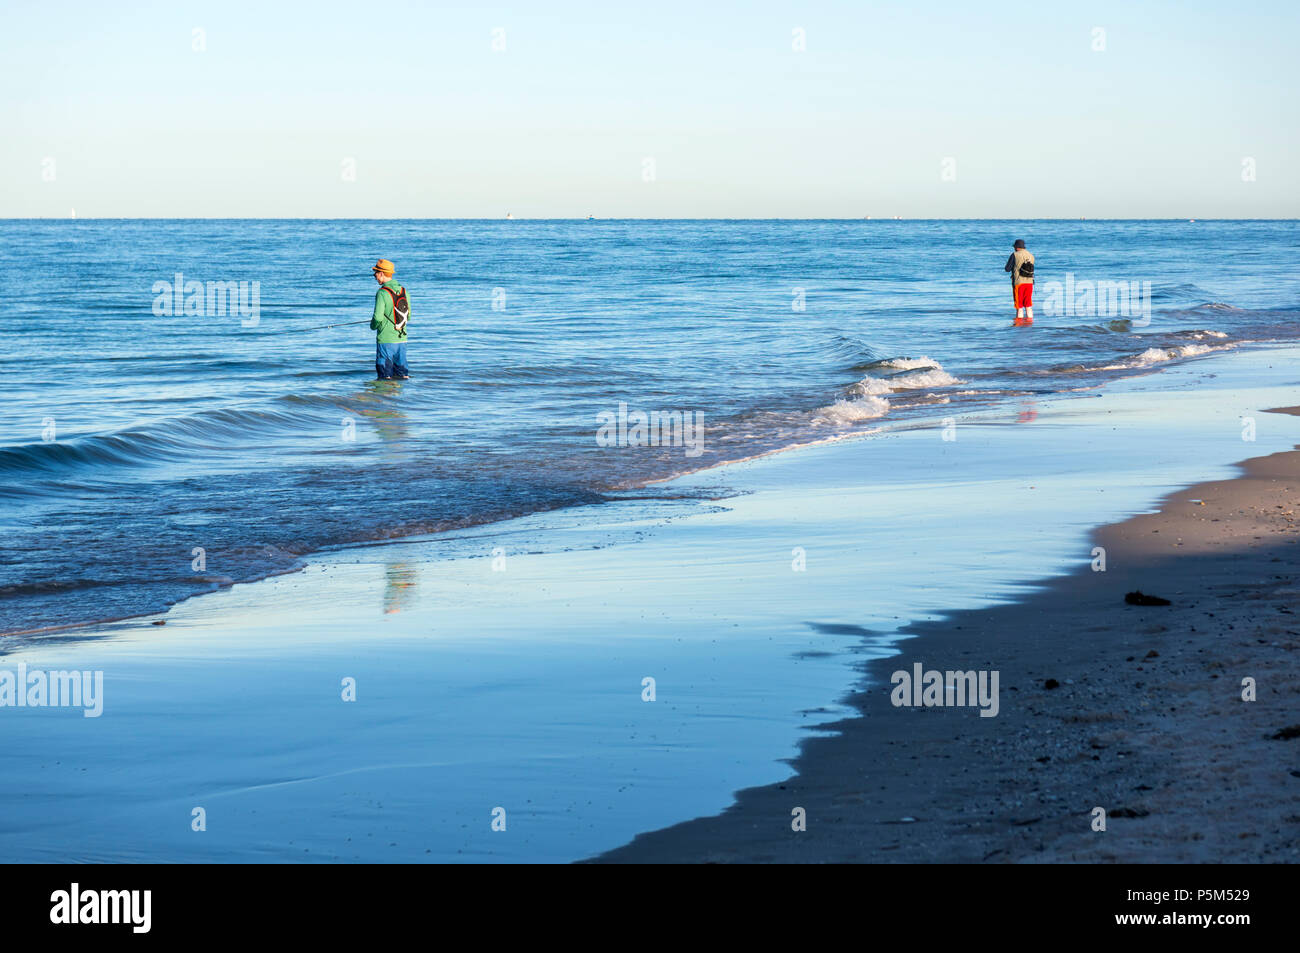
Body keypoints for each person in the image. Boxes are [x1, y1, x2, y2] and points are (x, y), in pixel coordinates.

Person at [369, 258, 409, 379]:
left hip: (386, 340)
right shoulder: (404, 291)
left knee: (384, 377)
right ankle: (399, 398)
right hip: (402, 339)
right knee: (402, 376)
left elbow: (377, 317)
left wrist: (372, 326)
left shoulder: (382, 292)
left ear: (381, 273)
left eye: (375, 273)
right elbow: (409, 315)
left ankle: (385, 398)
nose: (374, 276)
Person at [1004, 239, 1035, 325]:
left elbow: (1007, 269)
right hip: (1029, 283)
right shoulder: (1031, 255)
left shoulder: (1014, 255)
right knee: (1028, 306)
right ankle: (1030, 324)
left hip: (1019, 283)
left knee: (1019, 307)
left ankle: (1018, 326)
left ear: (1016, 247)